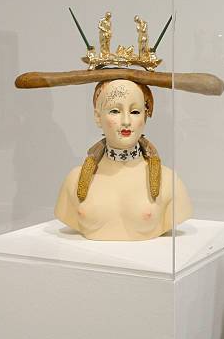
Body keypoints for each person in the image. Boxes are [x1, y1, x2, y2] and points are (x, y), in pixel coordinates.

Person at [54, 79, 192, 241]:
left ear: (146, 116)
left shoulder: (169, 182)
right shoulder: (75, 180)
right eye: (115, 111)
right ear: (98, 117)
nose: (126, 121)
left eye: (135, 112)